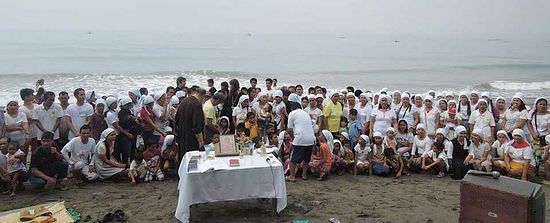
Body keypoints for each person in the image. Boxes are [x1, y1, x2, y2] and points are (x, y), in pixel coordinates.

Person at [286, 102, 316, 182]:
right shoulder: (305, 114)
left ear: (292, 108)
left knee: (293, 159)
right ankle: (304, 174)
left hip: (300, 137)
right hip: (311, 138)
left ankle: (292, 176)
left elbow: (289, 129)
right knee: (306, 158)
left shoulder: (292, 113)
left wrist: (293, 138)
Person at [175, 87, 206, 161]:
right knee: (193, 161)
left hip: (182, 136)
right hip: (192, 139)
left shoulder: (184, 101)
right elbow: (197, 127)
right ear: (202, 96)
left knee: (184, 160)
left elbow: (176, 119)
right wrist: (201, 141)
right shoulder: (197, 104)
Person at [116, 97, 139, 164]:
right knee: (126, 150)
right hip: (125, 134)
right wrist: (132, 118)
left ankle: (131, 163)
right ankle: (125, 164)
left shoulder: (129, 111)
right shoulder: (121, 112)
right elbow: (124, 121)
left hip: (131, 132)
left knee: (132, 150)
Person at [19, 88, 38, 152]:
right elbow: (23, 122)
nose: (33, 96)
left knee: (35, 149)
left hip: (37, 130)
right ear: (26, 97)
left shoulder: (36, 106)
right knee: (25, 150)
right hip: (27, 132)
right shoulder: (21, 109)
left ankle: (34, 161)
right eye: (32, 95)